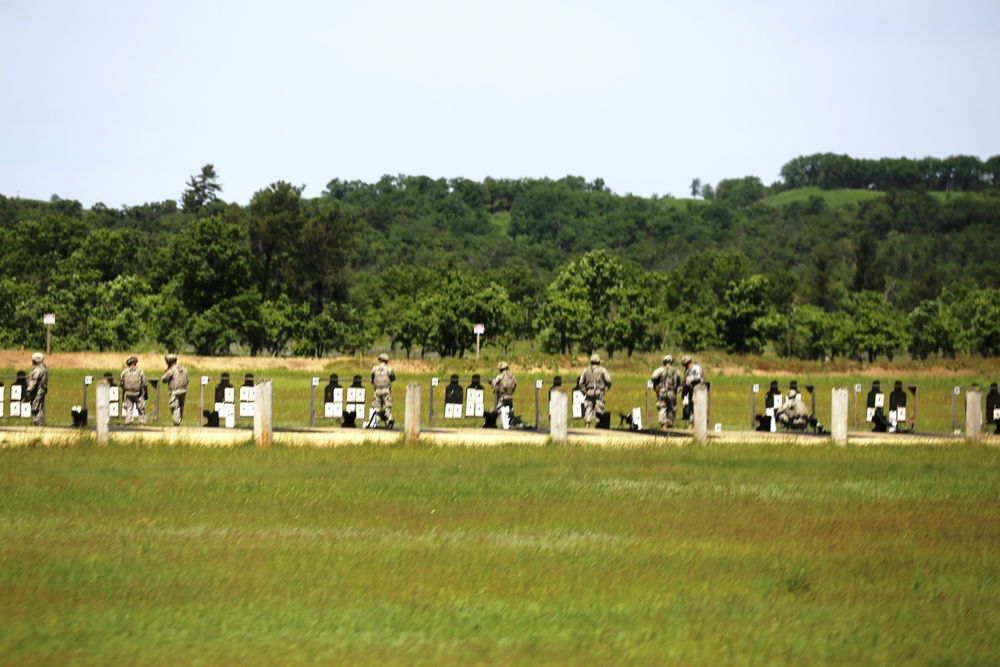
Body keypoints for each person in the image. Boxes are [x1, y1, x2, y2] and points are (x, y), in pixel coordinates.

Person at [577, 353, 612, 428]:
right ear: (598, 361)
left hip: (589, 392)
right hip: (599, 392)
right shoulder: (602, 370)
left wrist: (585, 392)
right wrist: (606, 388)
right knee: (599, 408)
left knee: (588, 409)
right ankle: (599, 425)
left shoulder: (586, 371)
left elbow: (581, 383)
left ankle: (587, 425)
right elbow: (609, 380)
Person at [650, 354, 682, 429]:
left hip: (662, 391)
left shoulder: (660, 370)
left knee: (662, 407)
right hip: (672, 392)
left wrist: (657, 384)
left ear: (664, 362)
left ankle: (663, 424)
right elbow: (678, 382)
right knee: (672, 408)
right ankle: (670, 424)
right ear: (671, 362)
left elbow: (653, 377)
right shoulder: (676, 371)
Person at [161, 354, 189, 426]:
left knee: (175, 407)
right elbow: (187, 380)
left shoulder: (171, 370)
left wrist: (166, 371)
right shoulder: (183, 369)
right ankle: (179, 421)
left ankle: (177, 423)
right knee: (181, 407)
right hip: (183, 390)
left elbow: (164, 380)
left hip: (174, 391)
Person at [120, 355, 147, 426]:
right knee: (141, 409)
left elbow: (121, 383)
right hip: (138, 393)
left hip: (128, 393)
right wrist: (146, 393)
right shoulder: (140, 371)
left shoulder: (124, 372)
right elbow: (144, 383)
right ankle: (142, 423)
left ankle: (129, 422)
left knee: (129, 409)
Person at [371, 353, 396, 428]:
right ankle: (389, 421)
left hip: (377, 390)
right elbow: (393, 378)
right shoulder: (389, 369)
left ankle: (376, 422)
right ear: (386, 361)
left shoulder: (374, 368)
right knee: (387, 406)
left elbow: (372, 377)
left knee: (377, 407)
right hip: (386, 390)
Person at [491, 361, 517, 429]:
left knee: (499, 409)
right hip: (510, 395)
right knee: (510, 410)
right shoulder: (512, 376)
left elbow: (494, 383)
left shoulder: (500, 376)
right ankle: (510, 423)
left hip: (502, 396)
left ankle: (504, 425)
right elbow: (515, 384)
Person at [25, 352, 48, 426]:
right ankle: (40, 423)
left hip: (36, 391)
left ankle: (37, 423)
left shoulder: (37, 370)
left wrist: (28, 390)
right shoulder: (44, 368)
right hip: (41, 390)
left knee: (35, 408)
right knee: (40, 407)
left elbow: (33, 381)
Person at [680, 355, 704, 424]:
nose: (685, 366)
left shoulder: (696, 367)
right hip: (690, 390)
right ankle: (692, 423)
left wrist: (688, 379)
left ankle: (697, 423)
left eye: (685, 364)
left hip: (698, 390)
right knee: (691, 407)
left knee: (697, 406)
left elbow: (698, 377)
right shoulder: (687, 370)